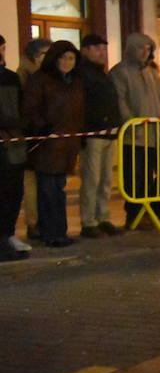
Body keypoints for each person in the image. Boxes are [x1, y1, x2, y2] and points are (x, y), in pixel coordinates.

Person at [22, 40, 86, 247]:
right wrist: (43, 129)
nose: (67, 62)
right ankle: (50, 233)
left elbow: (78, 111)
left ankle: (60, 231)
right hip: (47, 144)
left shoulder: (75, 81)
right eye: (63, 58)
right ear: (54, 59)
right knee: (48, 190)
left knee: (59, 190)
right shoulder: (41, 79)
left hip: (67, 144)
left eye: (71, 58)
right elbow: (30, 108)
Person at [110, 34, 160, 228]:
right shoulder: (120, 72)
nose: (145, 52)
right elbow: (120, 101)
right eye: (141, 48)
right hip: (136, 136)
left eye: (148, 48)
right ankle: (136, 215)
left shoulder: (152, 72)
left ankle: (156, 209)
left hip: (158, 134)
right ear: (131, 49)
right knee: (137, 177)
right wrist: (132, 123)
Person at [76, 34, 122, 238]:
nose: (102, 53)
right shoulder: (82, 74)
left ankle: (103, 216)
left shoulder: (102, 74)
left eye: (104, 49)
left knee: (106, 178)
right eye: (97, 48)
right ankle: (88, 221)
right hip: (93, 132)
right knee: (91, 179)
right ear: (85, 50)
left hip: (109, 133)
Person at [14, 37, 51, 243]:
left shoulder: (41, 75)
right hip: (30, 134)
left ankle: (41, 221)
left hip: (42, 134)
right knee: (31, 181)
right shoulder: (25, 76)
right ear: (36, 56)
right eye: (47, 54)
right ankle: (33, 222)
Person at [0, 36, 30, 260]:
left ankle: (7, 236)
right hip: (6, 140)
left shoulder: (10, 78)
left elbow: (20, 107)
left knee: (13, 193)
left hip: (14, 144)